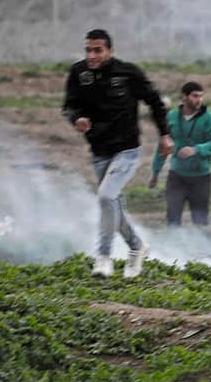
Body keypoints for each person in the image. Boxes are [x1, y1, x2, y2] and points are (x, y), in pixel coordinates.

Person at [62, 29, 173, 278]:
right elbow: (69, 106)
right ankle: (137, 246)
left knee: (105, 197)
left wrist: (165, 135)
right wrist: (76, 119)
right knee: (112, 203)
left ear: (109, 51)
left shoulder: (127, 73)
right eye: (88, 50)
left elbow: (155, 101)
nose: (92, 55)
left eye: (98, 50)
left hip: (127, 151)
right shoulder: (78, 73)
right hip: (99, 151)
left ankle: (103, 257)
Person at [150, 81, 211, 227]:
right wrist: (155, 172)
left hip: (201, 178)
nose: (199, 100)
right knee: (172, 220)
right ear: (184, 97)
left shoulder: (209, 118)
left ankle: (200, 243)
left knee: (200, 223)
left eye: (201, 96)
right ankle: (174, 242)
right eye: (195, 96)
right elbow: (163, 146)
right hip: (177, 177)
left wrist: (196, 150)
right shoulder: (171, 117)